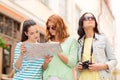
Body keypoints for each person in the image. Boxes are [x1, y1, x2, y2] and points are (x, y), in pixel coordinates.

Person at [77, 12, 117, 80]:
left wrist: (101, 66)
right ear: (82, 24)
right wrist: (79, 66)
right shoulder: (79, 42)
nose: (90, 19)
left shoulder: (103, 39)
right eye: (87, 18)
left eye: (92, 18)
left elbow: (114, 60)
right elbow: (77, 62)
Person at [42, 14, 79, 80]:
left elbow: (73, 63)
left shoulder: (72, 41)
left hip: (64, 77)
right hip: (48, 77)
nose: (50, 30)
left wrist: (57, 50)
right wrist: (46, 62)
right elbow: (44, 68)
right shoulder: (48, 43)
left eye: (53, 27)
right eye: (48, 27)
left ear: (60, 26)